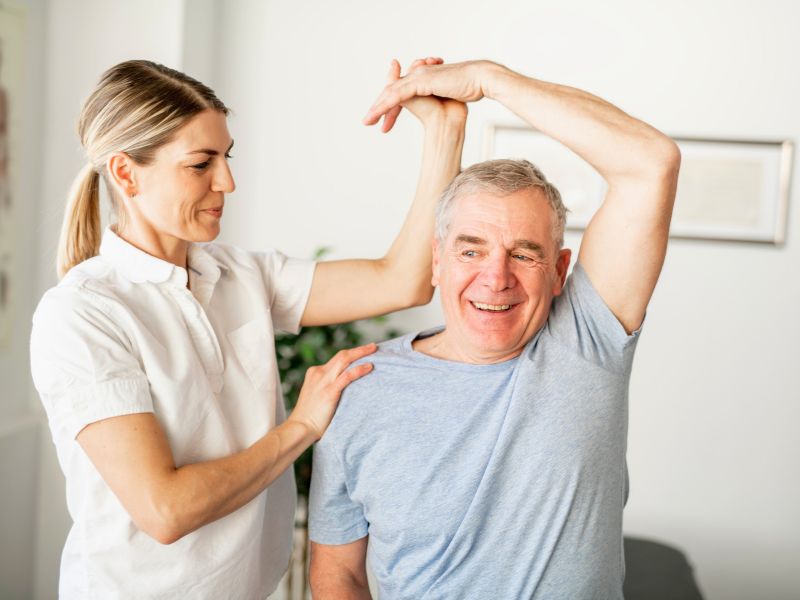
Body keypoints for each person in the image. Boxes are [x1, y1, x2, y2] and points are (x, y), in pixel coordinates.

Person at [29, 58, 466, 599]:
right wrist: (302, 426)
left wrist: (444, 131)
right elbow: (164, 510)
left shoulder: (241, 275)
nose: (227, 182)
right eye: (200, 164)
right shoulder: (83, 313)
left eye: (226, 157)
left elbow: (404, 281)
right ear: (126, 173)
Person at [308, 59, 681, 599]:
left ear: (558, 271)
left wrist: (489, 80)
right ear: (436, 262)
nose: (496, 277)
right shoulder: (359, 387)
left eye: (524, 254)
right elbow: (336, 571)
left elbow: (651, 162)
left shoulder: (586, 340)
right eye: (471, 250)